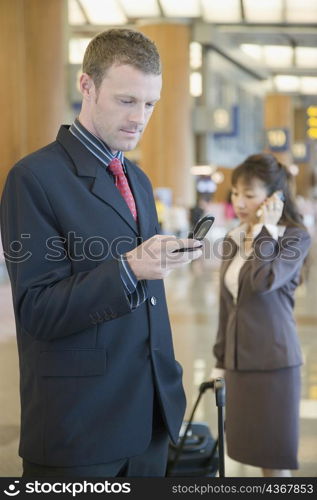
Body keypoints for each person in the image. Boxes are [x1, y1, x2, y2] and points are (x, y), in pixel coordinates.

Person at [0, 28, 203, 478]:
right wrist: (130, 267)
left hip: (150, 416)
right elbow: (37, 310)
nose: (140, 117)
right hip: (81, 427)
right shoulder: (34, 178)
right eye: (126, 100)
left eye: (150, 104)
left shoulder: (139, 180)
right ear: (86, 86)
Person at [210, 153, 311, 477]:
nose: (239, 202)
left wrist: (265, 229)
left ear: (273, 198)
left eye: (249, 195)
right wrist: (220, 359)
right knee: (243, 451)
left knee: (273, 459)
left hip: (273, 363)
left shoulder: (295, 237)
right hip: (239, 363)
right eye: (236, 193)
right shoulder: (233, 238)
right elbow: (228, 304)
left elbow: (263, 280)